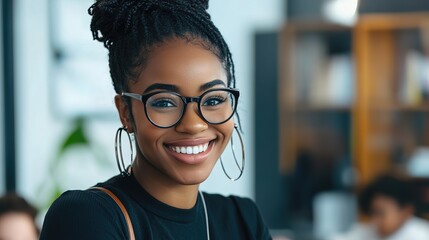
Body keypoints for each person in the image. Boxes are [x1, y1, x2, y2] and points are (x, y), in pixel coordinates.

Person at [40, 0, 271, 239]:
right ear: (126, 112)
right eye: (165, 102)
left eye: (213, 100)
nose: (193, 125)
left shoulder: (244, 220)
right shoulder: (85, 217)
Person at [332, 175, 429, 240]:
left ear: (406, 212)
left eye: (381, 213)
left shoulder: (422, 235)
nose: (375, 220)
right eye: (372, 212)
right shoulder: (369, 231)